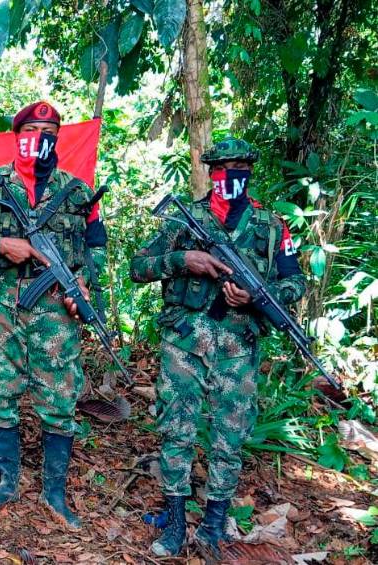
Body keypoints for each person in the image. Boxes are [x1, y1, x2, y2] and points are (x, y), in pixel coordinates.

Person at [130, 138, 307, 558]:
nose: (233, 175)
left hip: (239, 346)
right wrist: (181, 260)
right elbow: (139, 266)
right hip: (185, 341)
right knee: (177, 429)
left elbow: (295, 282)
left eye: (241, 167)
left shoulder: (271, 225)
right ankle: (174, 520)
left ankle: (212, 524)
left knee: (230, 436)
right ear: (211, 173)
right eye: (224, 167)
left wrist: (259, 296)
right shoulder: (184, 220)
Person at [0, 101, 108, 530]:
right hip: (1, 305)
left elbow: (95, 248)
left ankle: (54, 492)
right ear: (18, 135)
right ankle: (7, 482)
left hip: (56, 309)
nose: (41, 135)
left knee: (60, 398)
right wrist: (1, 246)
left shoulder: (77, 193)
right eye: (33, 128)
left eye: (50, 129)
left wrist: (85, 285)